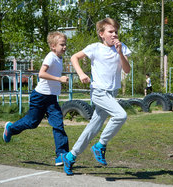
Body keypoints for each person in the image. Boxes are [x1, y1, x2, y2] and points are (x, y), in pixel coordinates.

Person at [62, 17, 131, 175]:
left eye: (116, 32)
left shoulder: (122, 48)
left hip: (111, 94)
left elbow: (126, 70)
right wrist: (80, 73)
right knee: (121, 115)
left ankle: (70, 156)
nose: (114, 34)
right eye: (110, 32)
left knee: (93, 127)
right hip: (99, 92)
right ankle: (100, 145)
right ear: (101, 34)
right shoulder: (95, 48)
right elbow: (74, 57)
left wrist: (120, 53)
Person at [3, 31, 70, 167]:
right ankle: (11, 128)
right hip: (39, 96)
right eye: (62, 45)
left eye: (65, 44)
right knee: (32, 122)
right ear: (52, 46)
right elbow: (41, 74)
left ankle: (61, 155)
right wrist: (59, 79)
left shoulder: (60, 58)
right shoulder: (50, 57)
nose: (64, 47)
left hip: (51, 98)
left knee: (58, 124)